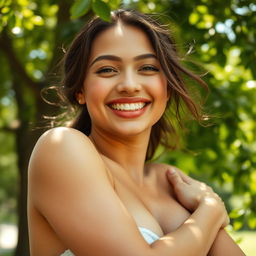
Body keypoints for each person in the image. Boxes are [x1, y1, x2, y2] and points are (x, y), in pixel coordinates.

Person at [27, 9, 245, 256]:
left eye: (148, 68)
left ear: (168, 87)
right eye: (107, 70)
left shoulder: (170, 180)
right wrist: (210, 210)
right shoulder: (61, 148)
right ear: (81, 90)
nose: (129, 85)